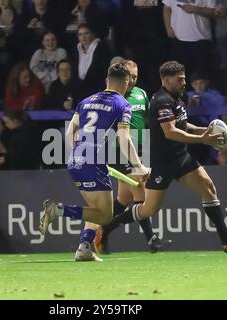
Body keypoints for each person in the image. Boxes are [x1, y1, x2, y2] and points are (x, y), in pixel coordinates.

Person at [95, 61, 227, 254]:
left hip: (181, 157)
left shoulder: (178, 99)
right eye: (180, 80)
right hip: (162, 162)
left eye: (184, 79)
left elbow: (184, 126)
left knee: (208, 187)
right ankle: (105, 229)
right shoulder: (161, 101)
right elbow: (170, 132)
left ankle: (226, 241)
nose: (184, 83)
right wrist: (202, 139)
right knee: (147, 209)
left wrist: (206, 131)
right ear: (167, 80)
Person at [38, 62, 149, 261]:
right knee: (105, 216)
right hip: (94, 162)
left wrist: (81, 153)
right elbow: (124, 138)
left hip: (76, 160)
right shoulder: (122, 104)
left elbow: (70, 132)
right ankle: (58, 210)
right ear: (125, 82)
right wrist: (138, 166)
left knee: (94, 211)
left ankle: (84, 247)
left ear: (107, 80)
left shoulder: (86, 101)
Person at [93, 59, 163, 254]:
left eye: (135, 77)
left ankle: (102, 231)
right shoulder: (115, 97)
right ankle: (152, 240)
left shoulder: (141, 94)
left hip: (143, 147)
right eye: (129, 77)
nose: (132, 80)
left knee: (123, 200)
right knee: (140, 189)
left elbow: (148, 120)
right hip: (122, 149)